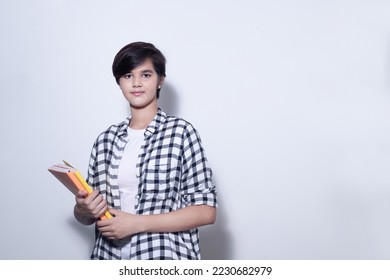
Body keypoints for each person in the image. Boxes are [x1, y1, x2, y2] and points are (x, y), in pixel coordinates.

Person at [73, 42, 217, 260]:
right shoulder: (105, 141)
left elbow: (206, 211)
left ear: (160, 80)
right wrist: (83, 210)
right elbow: (86, 217)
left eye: (146, 75)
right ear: (119, 82)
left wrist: (136, 223)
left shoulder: (181, 133)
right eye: (128, 76)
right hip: (107, 257)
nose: (137, 83)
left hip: (162, 258)